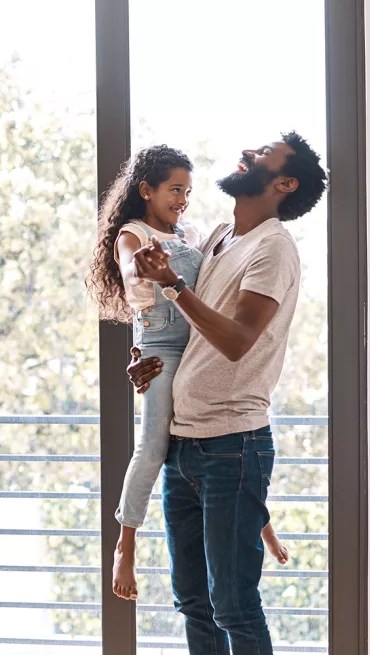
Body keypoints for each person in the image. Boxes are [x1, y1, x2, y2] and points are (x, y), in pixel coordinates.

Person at [127, 132, 328, 655]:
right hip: (184, 443)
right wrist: (151, 361)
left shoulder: (274, 249)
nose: (249, 153)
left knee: (234, 601)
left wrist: (173, 283)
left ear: (283, 184)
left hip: (234, 445)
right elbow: (196, 331)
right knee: (192, 599)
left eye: (264, 155)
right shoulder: (219, 236)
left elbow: (238, 341)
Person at [87, 145, 291, 603]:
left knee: (223, 439)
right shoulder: (132, 234)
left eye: (188, 191)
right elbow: (132, 272)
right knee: (154, 445)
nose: (183, 199)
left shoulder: (199, 234)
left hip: (201, 348)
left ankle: (263, 525)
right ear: (146, 190)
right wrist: (143, 272)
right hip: (162, 351)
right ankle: (125, 545)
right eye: (174, 190)